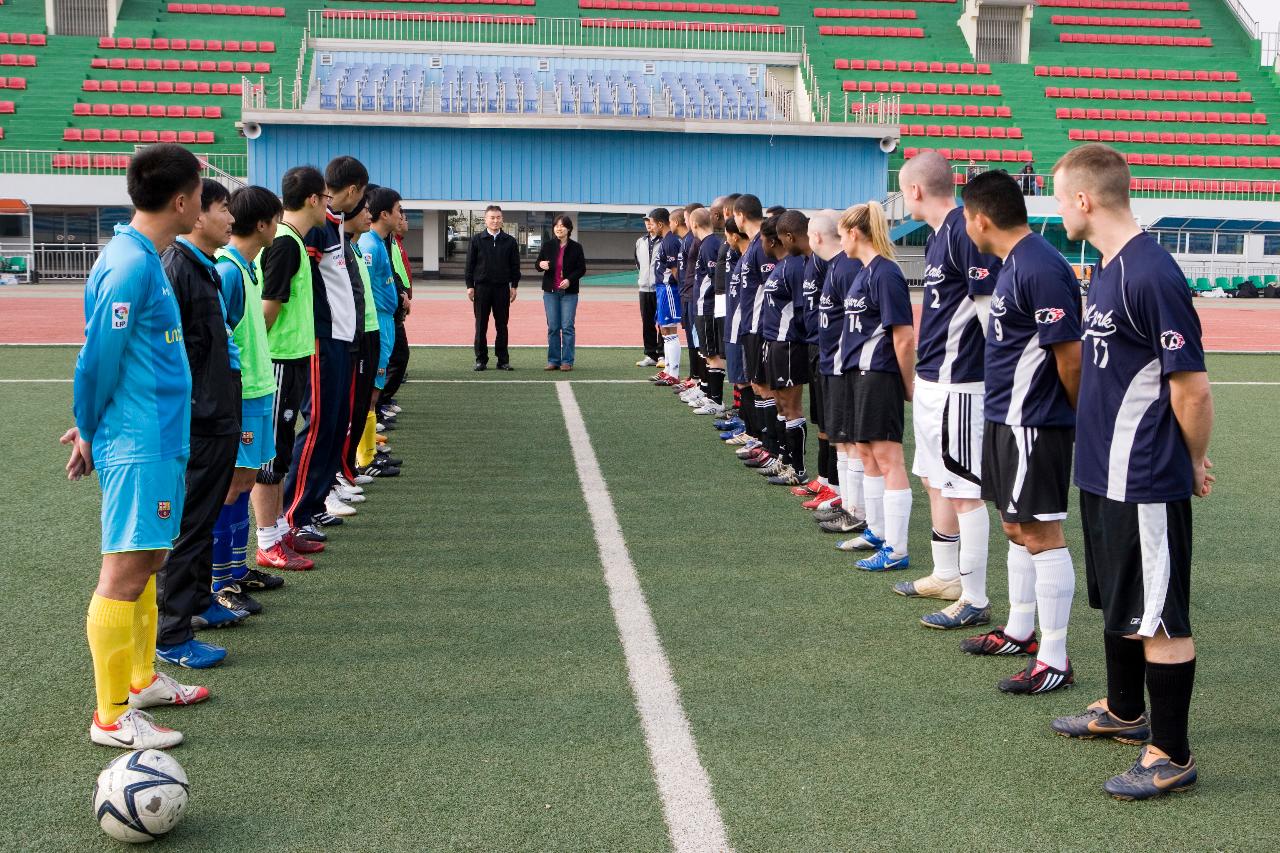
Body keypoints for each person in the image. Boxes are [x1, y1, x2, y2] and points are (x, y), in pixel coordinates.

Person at [1049, 143, 1212, 799]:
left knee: (1161, 616)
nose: (1060, 210)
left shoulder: (1151, 273)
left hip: (1143, 476)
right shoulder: (1108, 268)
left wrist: (1193, 457)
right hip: (1102, 473)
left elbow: (1192, 390)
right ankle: (1123, 709)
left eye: (1061, 199)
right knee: (1119, 600)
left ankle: (1171, 752)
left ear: (1084, 201)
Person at [67, 143, 207, 749]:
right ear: (181, 201)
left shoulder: (147, 257)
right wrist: (90, 428)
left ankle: (141, 679)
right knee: (125, 569)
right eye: (200, 194)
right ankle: (110, 714)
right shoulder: (128, 265)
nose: (202, 205)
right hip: (139, 443)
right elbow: (98, 357)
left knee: (150, 559)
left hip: (162, 437)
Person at [960, 169, 1083, 695]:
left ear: (980, 219)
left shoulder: (1042, 266)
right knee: (1015, 527)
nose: (966, 226)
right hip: (1005, 417)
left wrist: (1074, 417)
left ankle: (1054, 658)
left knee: (1040, 532)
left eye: (966, 218)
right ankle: (1020, 631)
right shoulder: (1011, 264)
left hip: (1035, 422)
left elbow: (1070, 356)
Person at [894, 151, 1001, 620]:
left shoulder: (963, 230)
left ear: (915, 190)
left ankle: (974, 598)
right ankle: (945, 575)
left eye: (903, 189)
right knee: (934, 480)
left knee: (964, 489)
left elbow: (990, 309)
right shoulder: (941, 235)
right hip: (935, 380)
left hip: (962, 385)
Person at [155, 178, 247, 668]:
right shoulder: (177, 267)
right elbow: (171, 356)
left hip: (219, 412)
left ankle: (199, 604)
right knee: (189, 526)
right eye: (223, 209)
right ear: (196, 213)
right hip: (200, 418)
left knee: (206, 517)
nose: (230, 218)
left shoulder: (203, 267)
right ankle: (171, 633)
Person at [211, 185, 288, 618]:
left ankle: (236, 569)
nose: (278, 226)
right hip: (242, 395)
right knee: (232, 485)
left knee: (245, 479)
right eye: (275, 219)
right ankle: (220, 580)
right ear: (262, 223)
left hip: (259, 391)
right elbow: (218, 337)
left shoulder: (249, 265)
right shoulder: (227, 271)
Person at [832, 202, 917, 573]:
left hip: (878, 374)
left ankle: (896, 548)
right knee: (866, 452)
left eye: (841, 234)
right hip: (856, 374)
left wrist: (907, 382)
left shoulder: (886, 274)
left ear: (854, 233)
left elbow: (904, 336)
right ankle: (877, 533)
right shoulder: (863, 273)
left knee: (888, 457)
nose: (840, 242)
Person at [255, 165, 329, 565]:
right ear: (314, 199)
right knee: (271, 454)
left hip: (294, 357)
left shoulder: (294, 241)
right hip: (279, 359)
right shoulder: (285, 243)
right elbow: (268, 307)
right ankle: (267, 541)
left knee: (281, 449)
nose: (328, 207)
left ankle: (279, 530)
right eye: (326, 199)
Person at [759, 209, 812, 486]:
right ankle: (785, 460)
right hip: (774, 342)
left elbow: (802, 309)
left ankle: (798, 470)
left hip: (789, 344)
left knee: (791, 406)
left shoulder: (795, 265)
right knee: (780, 404)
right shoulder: (782, 266)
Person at [356, 187, 404, 478]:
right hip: (376, 325)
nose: (401, 216)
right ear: (384, 214)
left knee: (374, 389)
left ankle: (368, 450)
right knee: (370, 392)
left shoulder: (379, 242)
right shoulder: (370, 246)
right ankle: (364, 457)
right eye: (398, 210)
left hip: (385, 321)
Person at [466, 204, 520, 371]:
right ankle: (481, 360)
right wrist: (470, 286)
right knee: (481, 325)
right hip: (481, 288)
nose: (495, 221)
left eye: (498, 218)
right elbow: (470, 265)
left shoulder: (510, 241)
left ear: (502, 219)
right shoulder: (476, 240)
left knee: (502, 325)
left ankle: (502, 360)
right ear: (485, 220)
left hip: (502, 288)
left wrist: (514, 286)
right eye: (492, 217)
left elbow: (515, 266)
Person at [536, 214, 586, 371]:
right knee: (553, 327)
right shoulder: (548, 246)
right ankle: (553, 360)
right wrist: (540, 264)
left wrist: (570, 280)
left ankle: (567, 361)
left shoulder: (576, 247)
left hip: (569, 293)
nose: (559, 228)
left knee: (567, 327)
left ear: (569, 229)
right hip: (550, 292)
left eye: (562, 225)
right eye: (556, 225)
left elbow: (581, 269)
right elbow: (538, 264)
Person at [690, 206, 726, 415]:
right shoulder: (705, 245)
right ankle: (708, 395)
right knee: (706, 352)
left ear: (694, 224)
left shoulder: (710, 245)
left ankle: (716, 400)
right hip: (702, 305)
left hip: (709, 307)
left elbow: (716, 277)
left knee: (712, 352)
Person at [647, 207, 684, 386]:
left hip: (669, 289)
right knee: (664, 329)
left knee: (669, 329)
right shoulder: (666, 240)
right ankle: (668, 370)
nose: (650, 227)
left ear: (661, 224)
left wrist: (682, 290)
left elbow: (676, 270)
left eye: (652, 223)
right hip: (663, 288)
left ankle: (673, 373)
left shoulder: (670, 242)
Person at [635, 215, 662, 368]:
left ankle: (663, 354)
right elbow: (638, 262)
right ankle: (651, 354)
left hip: (660, 287)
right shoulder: (640, 242)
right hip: (644, 288)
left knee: (663, 323)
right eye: (646, 222)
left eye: (651, 221)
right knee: (647, 322)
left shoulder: (665, 241)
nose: (648, 224)